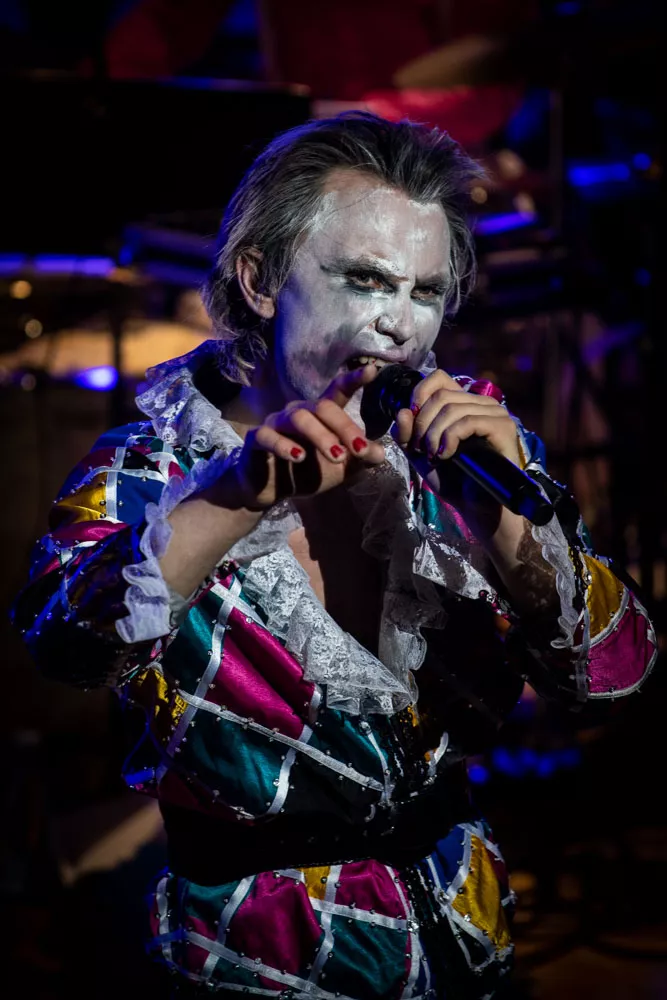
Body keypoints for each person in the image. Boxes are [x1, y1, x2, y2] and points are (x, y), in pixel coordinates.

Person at [13, 112, 656, 999]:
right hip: (256, 966)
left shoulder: (464, 450)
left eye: (424, 292)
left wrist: (506, 528)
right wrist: (232, 499)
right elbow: (66, 647)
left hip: (469, 946)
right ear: (261, 279)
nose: (397, 325)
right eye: (363, 280)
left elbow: (615, 675)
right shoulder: (152, 472)